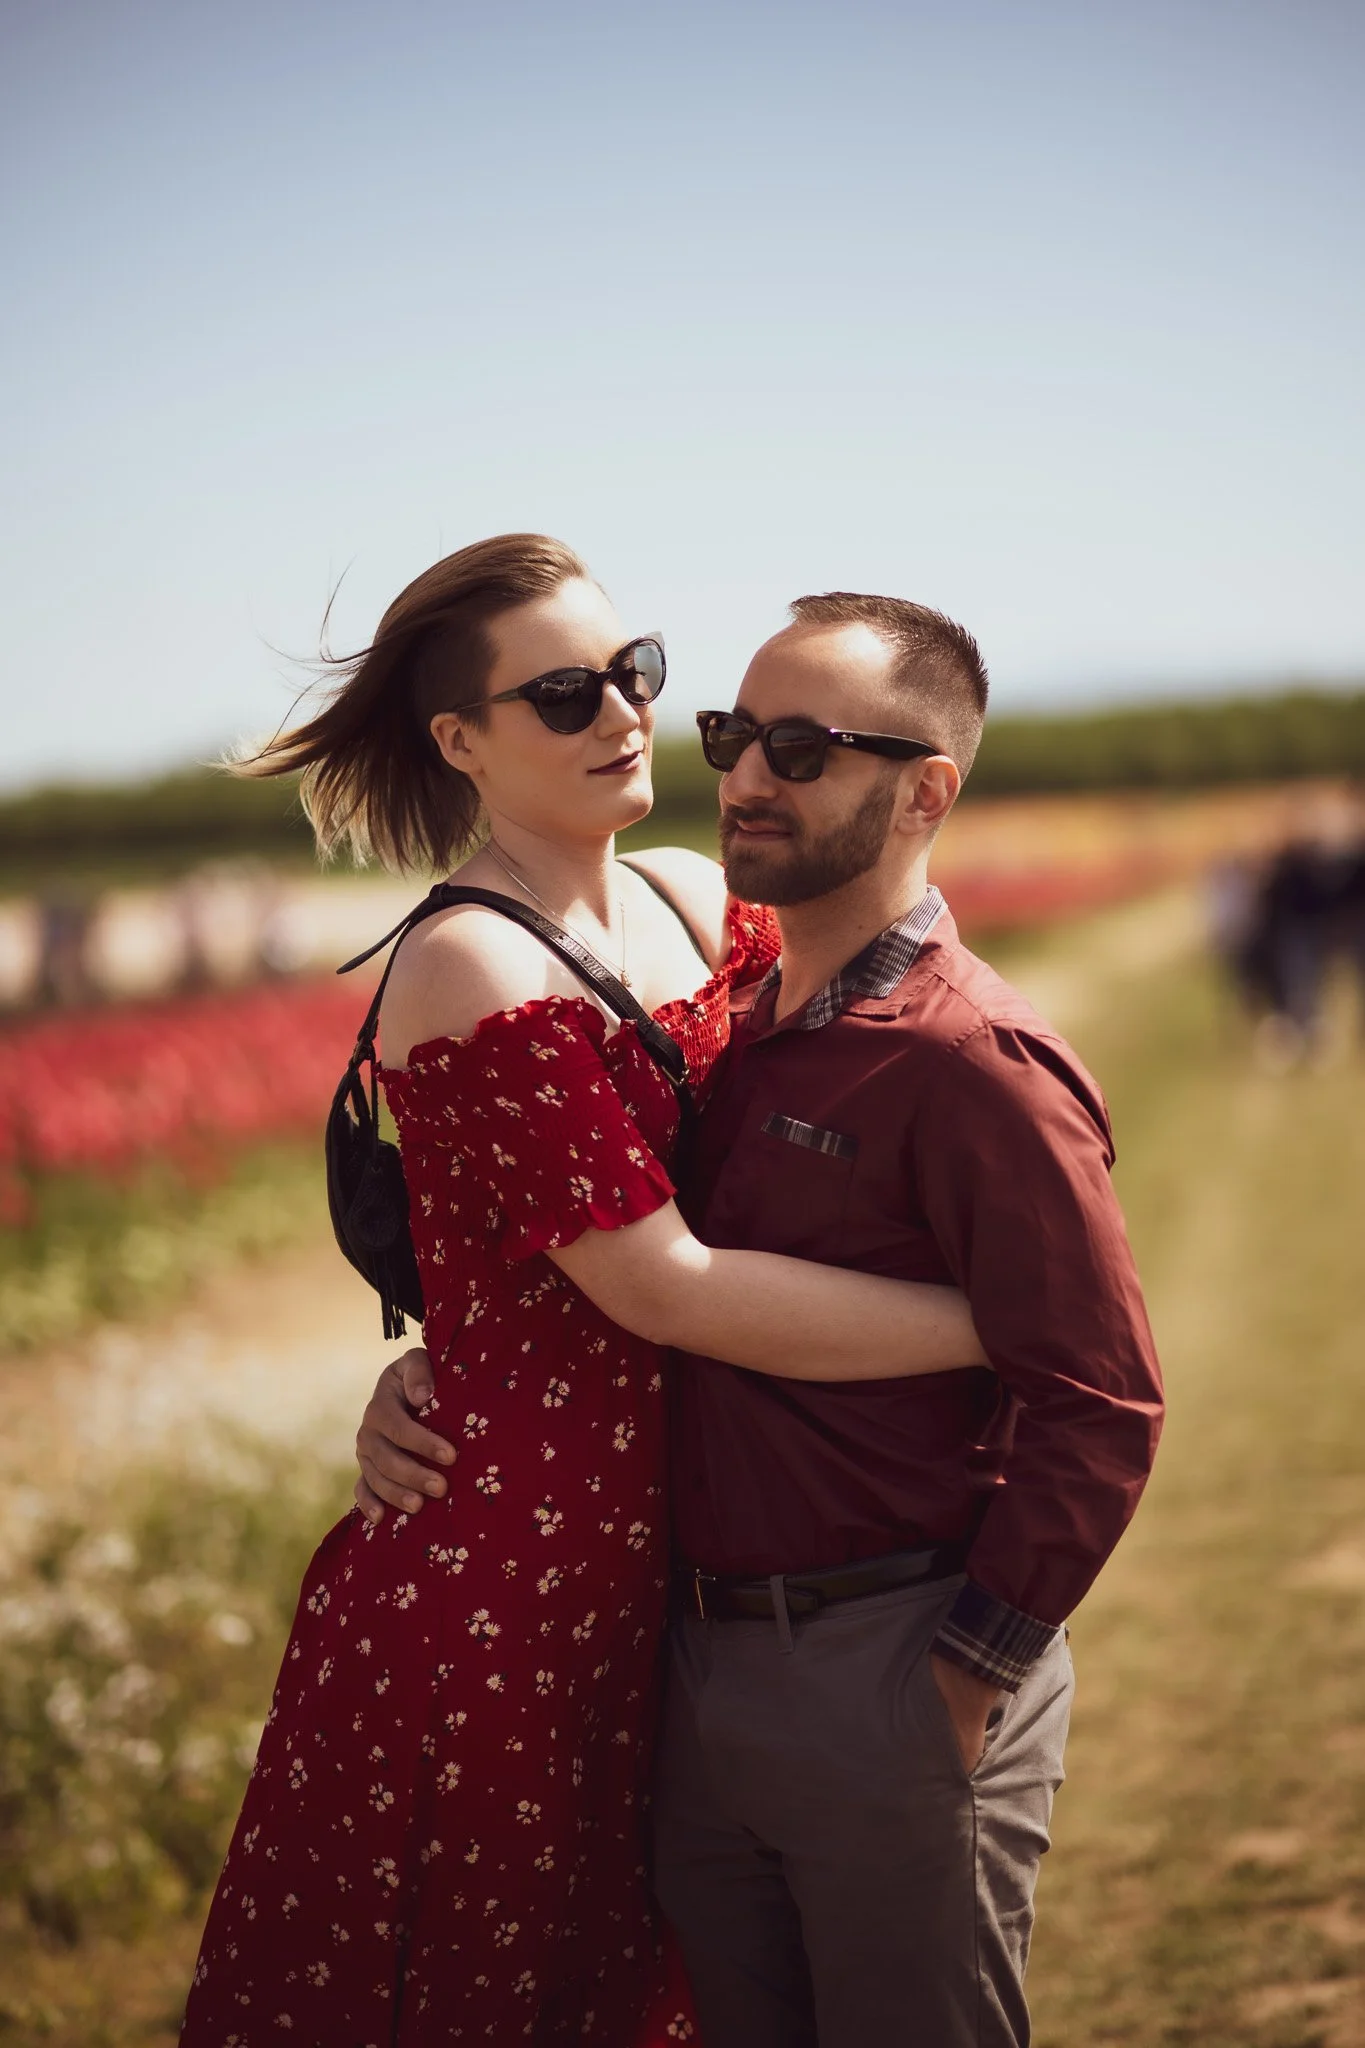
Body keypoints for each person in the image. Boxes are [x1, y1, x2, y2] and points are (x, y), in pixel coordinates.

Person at [180, 537, 990, 2047]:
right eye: (564, 694)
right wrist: (1000, 1330)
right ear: (461, 743)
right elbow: (665, 1288)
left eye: (637, 672)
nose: (622, 713)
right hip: (506, 1599)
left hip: (685, 1562)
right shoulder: (469, 966)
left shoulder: (696, 899)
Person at [357, 589, 1165, 2047]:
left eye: (803, 748)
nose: (740, 776)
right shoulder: (741, 1007)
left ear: (927, 792)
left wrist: (974, 1667)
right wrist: (437, 1372)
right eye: (735, 733)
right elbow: (567, 1258)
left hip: (887, 1652)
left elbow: (1102, 1399)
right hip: (687, 1656)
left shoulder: (972, 1061)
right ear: (461, 740)